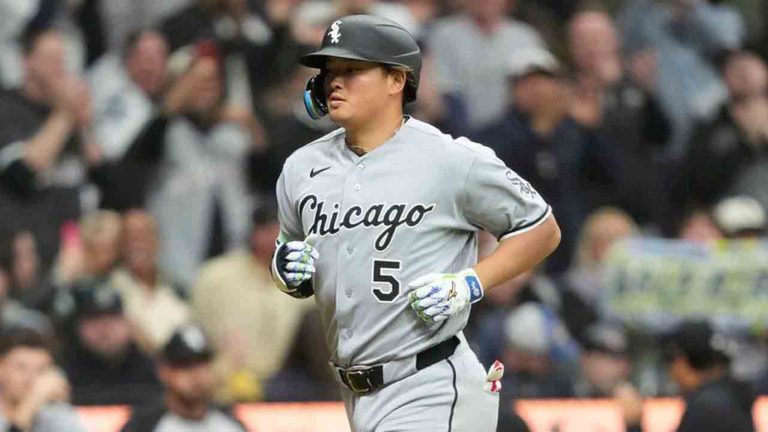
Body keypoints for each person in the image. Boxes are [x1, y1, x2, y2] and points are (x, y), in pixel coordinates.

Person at [271, 15, 561, 431]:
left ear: (396, 80)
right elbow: (291, 255)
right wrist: (284, 271)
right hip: (355, 393)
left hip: (431, 381)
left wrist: (469, 282)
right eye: (329, 71)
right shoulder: (301, 168)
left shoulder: (450, 159)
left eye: (352, 70)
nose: (334, 81)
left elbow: (542, 228)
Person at [192, 202, 321, 402]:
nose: (273, 236)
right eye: (266, 229)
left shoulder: (305, 276)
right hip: (225, 376)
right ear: (252, 233)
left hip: (288, 380)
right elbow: (196, 331)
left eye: (280, 229)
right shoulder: (215, 276)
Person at [624, 320, 756, 432]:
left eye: (670, 361)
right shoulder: (735, 396)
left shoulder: (706, 409)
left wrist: (634, 425)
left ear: (682, 362)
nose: (671, 372)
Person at [120, 324, 246, 432]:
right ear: (164, 371)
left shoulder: (231, 424)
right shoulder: (143, 426)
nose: (196, 375)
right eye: (185, 366)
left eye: (202, 365)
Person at [61, 280, 162, 406]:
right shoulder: (64, 374)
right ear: (78, 327)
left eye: (113, 319)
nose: (105, 329)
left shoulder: (151, 370)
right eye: (95, 320)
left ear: (128, 324)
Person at [112, 210, 191, 353]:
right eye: (130, 238)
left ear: (158, 241)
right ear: (119, 245)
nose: (137, 245)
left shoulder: (178, 289)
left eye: (144, 237)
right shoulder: (111, 290)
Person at [0, 328, 86, 432]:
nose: (30, 378)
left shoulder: (54, 411)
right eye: (21, 368)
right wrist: (27, 409)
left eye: (40, 370)